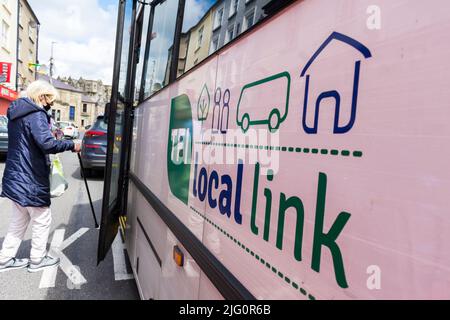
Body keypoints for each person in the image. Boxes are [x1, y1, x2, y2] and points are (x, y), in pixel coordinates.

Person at [0, 80, 81, 273]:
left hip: (15, 175)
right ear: (41, 96)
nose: (50, 105)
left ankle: (4, 259)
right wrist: (72, 145)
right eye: (50, 100)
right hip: (31, 177)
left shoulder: (15, 113)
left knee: (19, 219)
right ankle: (37, 260)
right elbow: (47, 144)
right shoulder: (35, 114)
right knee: (42, 218)